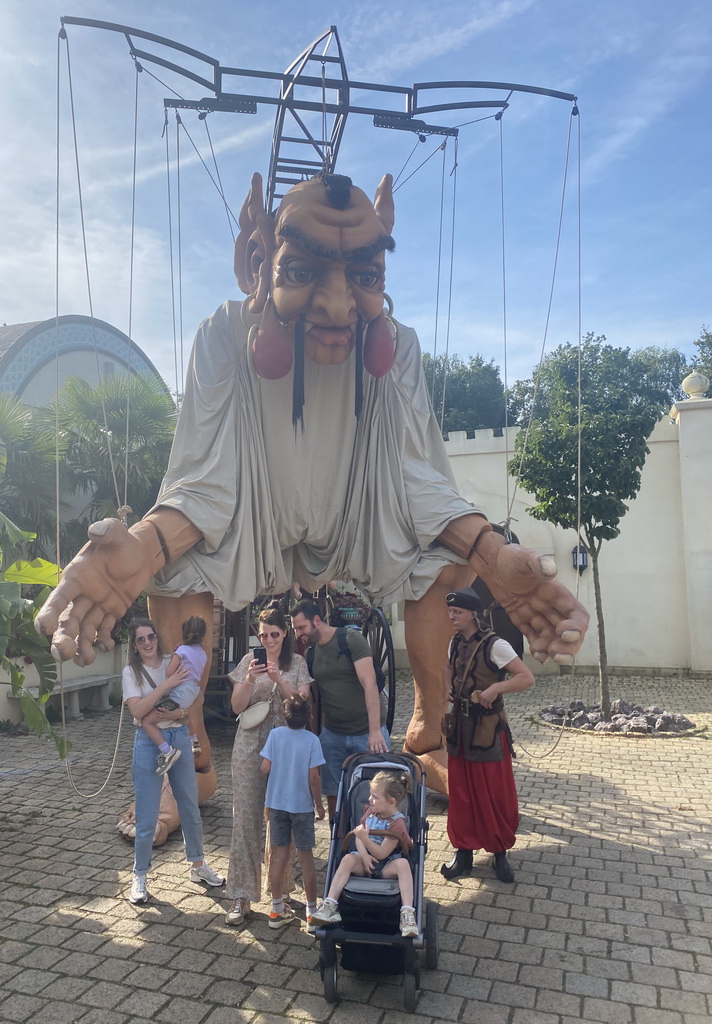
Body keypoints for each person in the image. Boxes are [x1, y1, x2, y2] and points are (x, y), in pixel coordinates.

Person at [36, 171, 588, 797]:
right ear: (256, 263)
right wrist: (143, 548)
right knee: (175, 572)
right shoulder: (224, 333)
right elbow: (204, 479)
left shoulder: (397, 348)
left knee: (444, 560)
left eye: (364, 275)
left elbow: (416, 477)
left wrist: (489, 553)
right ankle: (189, 766)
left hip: (362, 507)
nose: (336, 301)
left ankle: (429, 734)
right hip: (253, 508)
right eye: (301, 271)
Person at [121, 618, 225, 904]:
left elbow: (194, 698)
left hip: (179, 737)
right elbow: (138, 710)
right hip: (147, 744)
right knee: (146, 812)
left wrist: (177, 714)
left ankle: (198, 865)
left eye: (150, 637)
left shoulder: (175, 658)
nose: (147, 643)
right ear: (134, 644)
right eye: (141, 639)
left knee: (190, 806)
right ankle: (139, 875)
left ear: (157, 637)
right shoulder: (132, 672)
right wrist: (165, 686)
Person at [439, 588, 536, 884]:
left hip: (487, 730)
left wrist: (495, 689)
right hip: (461, 728)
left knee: (493, 793)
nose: (451, 616)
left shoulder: (496, 645)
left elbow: (526, 677)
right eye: (451, 611)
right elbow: (447, 668)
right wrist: (446, 688)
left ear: (472, 614)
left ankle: (499, 853)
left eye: (457, 612)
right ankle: (464, 853)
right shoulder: (455, 642)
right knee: (462, 793)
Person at [225, 604, 312, 926]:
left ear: (285, 633)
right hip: (250, 744)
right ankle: (241, 894)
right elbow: (236, 706)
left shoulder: (298, 663)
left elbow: (304, 705)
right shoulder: (250, 661)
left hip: (287, 748)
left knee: (282, 820)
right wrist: (248, 681)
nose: (269, 640)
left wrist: (281, 681)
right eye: (263, 635)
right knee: (245, 818)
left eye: (274, 634)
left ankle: (281, 890)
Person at [290, 599, 388, 817]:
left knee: (374, 797)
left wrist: (374, 731)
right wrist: (315, 737)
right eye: (295, 628)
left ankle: (371, 846)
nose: (298, 634)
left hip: (366, 731)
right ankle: (339, 842)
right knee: (332, 793)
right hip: (333, 734)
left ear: (316, 620)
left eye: (301, 627)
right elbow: (314, 700)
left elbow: (370, 684)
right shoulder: (311, 654)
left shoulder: (351, 641)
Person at [312, 769, 418, 938]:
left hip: (386, 865)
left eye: (375, 797)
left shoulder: (397, 824)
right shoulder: (371, 812)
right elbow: (359, 836)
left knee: (404, 865)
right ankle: (330, 905)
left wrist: (364, 838)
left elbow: (382, 853)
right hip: (365, 859)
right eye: (370, 794)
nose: (370, 799)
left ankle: (407, 914)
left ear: (391, 801)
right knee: (347, 859)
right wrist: (363, 854)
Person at [259, 692, 325, 932]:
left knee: (279, 856)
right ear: (309, 717)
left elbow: (264, 767)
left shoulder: (275, 735)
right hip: (302, 806)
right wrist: (319, 805)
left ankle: (276, 909)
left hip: (277, 804)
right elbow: (314, 777)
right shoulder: (312, 741)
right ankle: (311, 911)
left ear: (283, 717)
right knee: (305, 857)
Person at [138, 615, 207, 774]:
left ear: (184, 632)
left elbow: (169, 672)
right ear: (202, 635)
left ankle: (167, 751)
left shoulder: (181, 651)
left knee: (147, 720)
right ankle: (193, 739)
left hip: (181, 691)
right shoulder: (202, 653)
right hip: (193, 691)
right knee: (183, 713)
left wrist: (176, 655)